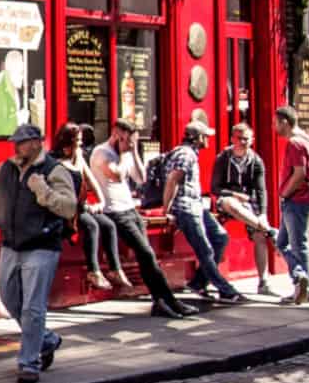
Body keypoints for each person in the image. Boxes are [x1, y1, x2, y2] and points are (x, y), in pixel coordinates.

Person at [0, 124, 77, 383]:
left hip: (41, 246)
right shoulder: (5, 169)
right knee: (11, 301)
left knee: (33, 307)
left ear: (36, 143)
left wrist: (42, 190)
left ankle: (28, 363)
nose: (16, 147)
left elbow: (68, 208)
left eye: (21, 142)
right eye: (15, 142)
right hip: (11, 245)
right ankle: (47, 340)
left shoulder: (55, 170)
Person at [91, 117, 191, 317]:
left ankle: (163, 301)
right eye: (128, 140)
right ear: (117, 136)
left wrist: (134, 152)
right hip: (115, 212)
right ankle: (167, 300)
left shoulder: (127, 152)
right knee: (146, 254)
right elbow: (116, 175)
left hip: (130, 210)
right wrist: (123, 153)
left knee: (147, 258)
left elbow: (141, 178)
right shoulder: (101, 153)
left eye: (133, 141)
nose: (130, 145)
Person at [161, 120, 243, 305]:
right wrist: (166, 210)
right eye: (205, 136)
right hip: (186, 208)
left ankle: (198, 282)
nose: (208, 139)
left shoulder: (191, 154)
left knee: (220, 237)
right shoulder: (186, 154)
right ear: (196, 138)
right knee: (204, 249)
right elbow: (173, 180)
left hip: (197, 205)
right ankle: (226, 291)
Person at [53, 123, 126, 292]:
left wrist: (100, 202)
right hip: (66, 209)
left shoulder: (78, 159)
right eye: (77, 141)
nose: (80, 145)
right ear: (67, 143)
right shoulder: (56, 163)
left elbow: (92, 180)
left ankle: (115, 269)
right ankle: (93, 271)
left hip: (81, 206)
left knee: (108, 225)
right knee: (91, 225)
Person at [212, 122, 278, 296]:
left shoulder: (256, 161)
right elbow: (214, 188)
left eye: (247, 139)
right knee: (230, 203)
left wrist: (263, 214)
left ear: (252, 140)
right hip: (228, 201)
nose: (243, 142)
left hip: (249, 204)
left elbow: (261, 190)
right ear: (232, 139)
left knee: (260, 237)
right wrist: (234, 194)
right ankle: (269, 230)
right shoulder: (223, 158)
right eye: (240, 138)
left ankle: (263, 283)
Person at [273, 105, 309, 306]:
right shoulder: (307, 140)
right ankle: (302, 283)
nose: (274, 126)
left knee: (298, 243)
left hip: (296, 200)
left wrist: (285, 193)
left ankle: (305, 285)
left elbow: (299, 173)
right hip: (302, 200)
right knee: (283, 242)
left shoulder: (295, 143)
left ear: (285, 122)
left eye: (276, 122)